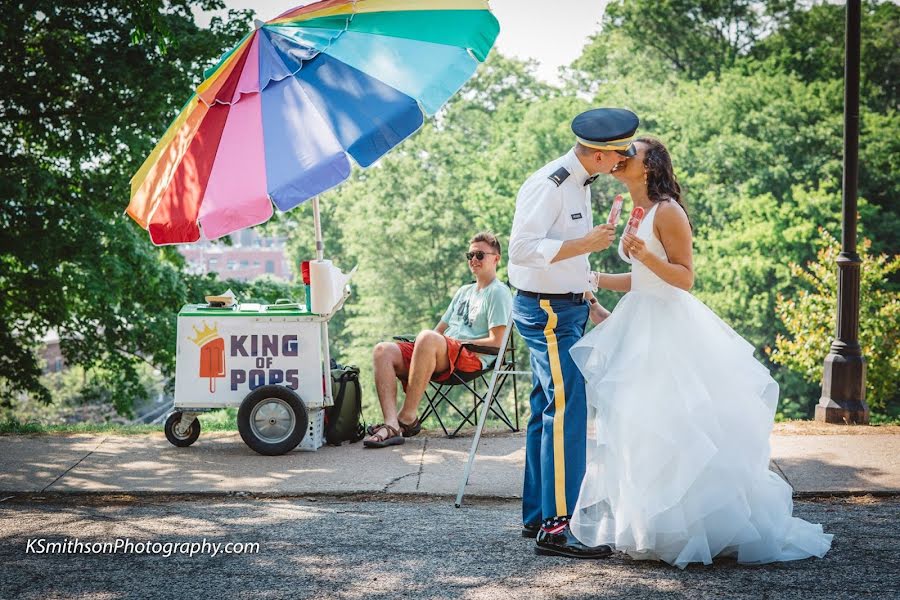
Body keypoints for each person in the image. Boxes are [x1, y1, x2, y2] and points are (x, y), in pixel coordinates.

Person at [569, 137, 833, 568]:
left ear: (650, 165)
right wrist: (594, 279)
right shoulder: (636, 211)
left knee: (678, 424)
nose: (618, 159)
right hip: (639, 322)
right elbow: (639, 279)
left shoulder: (669, 211)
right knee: (641, 424)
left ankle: (699, 530)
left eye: (627, 154)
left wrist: (647, 260)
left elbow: (684, 278)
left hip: (671, 328)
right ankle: (652, 527)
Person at [508, 107, 639, 559]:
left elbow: (568, 260)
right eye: (619, 154)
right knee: (567, 408)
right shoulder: (552, 184)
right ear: (600, 155)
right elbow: (522, 250)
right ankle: (557, 526)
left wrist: (587, 294)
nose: (623, 161)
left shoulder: (579, 182)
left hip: (564, 306)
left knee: (548, 405)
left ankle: (538, 515)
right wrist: (587, 245)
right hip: (546, 310)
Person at [363, 232, 513, 449]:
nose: (473, 260)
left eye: (480, 255)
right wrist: (422, 349)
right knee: (382, 350)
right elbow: (438, 331)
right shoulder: (464, 291)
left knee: (426, 337)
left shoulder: (498, 293)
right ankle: (391, 423)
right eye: (470, 255)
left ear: (496, 258)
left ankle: (407, 416)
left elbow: (498, 342)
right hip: (443, 353)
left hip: (470, 357)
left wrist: (454, 343)